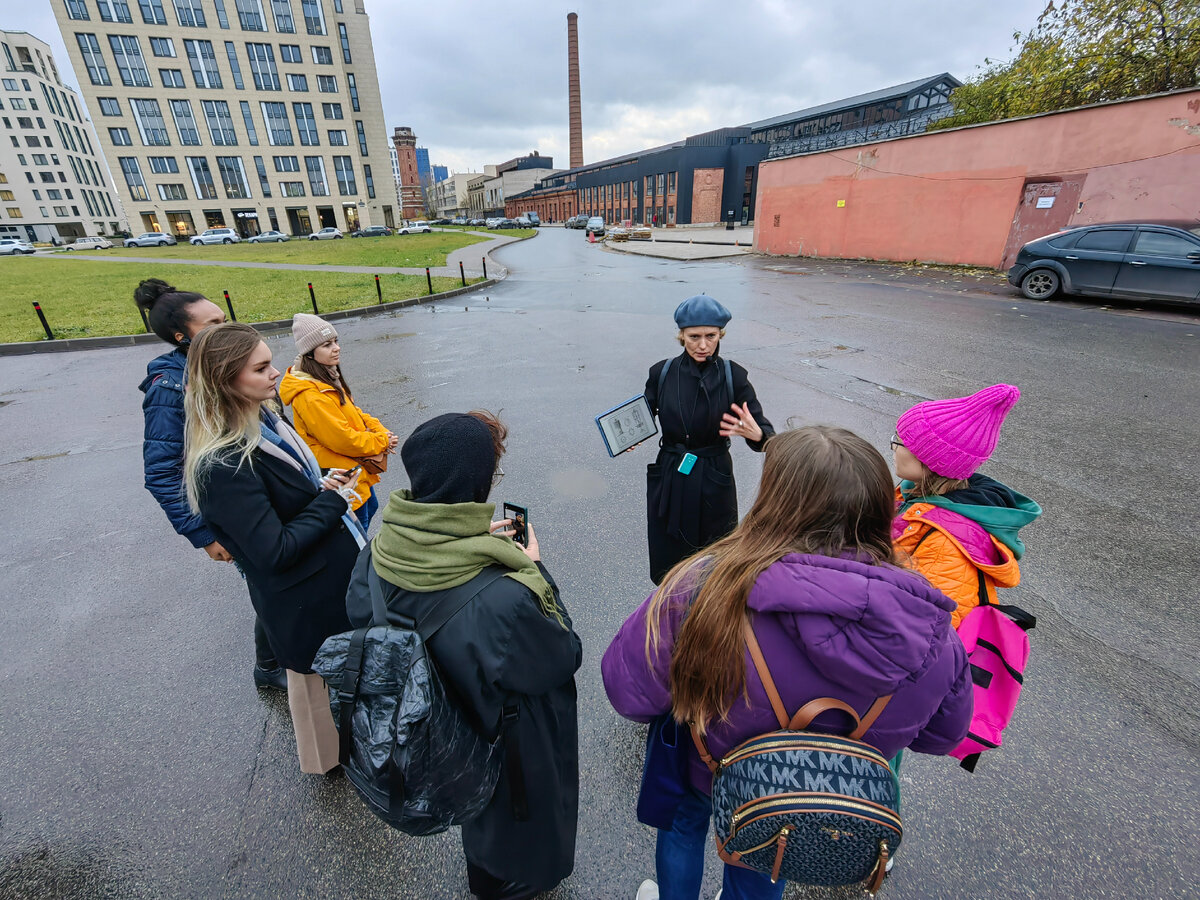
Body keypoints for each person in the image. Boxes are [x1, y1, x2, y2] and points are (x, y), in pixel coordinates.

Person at [602, 426, 973, 900]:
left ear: (773, 500)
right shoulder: (931, 626)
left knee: (682, 827)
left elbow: (627, 693)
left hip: (705, 767)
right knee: (771, 849)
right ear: (881, 508)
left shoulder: (702, 586)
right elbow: (943, 736)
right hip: (807, 800)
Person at [344, 411, 582, 900]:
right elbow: (561, 654)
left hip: (431, 723)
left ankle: (483, 875)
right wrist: (536, 571)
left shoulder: (381, 547)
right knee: (510, 809)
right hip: (503, 732)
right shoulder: (505, 595)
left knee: (472, 801)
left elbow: (357, 612)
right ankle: (512, 885)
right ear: (477, 480)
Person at [183, 323, 363, 774]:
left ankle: (358, 753)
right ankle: (333, 768)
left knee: (344, 679)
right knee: (317, 693)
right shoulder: (222, 463)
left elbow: (284, 499)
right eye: (261, 368)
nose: (275, 373)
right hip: (301, 601)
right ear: (225, 380)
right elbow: (274, 550)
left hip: (325, 584)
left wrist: (320, 486)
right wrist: (331, 501)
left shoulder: (264, 417)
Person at [134, 278, 287, 692]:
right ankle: (271, 666)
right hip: (233, 512)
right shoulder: (171, 388)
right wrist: (200, 533)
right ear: (182, 337)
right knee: (267, 585)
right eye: (212, 324)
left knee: (277, 581)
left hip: (265, 499)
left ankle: (278, 659)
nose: (224, 327)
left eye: (224, 318)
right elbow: (162, 471)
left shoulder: (228, 366)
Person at [643, 294, 774, 584]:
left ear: (720, 335)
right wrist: (632, 434)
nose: (703, 345)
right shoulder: (662, 373)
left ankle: (710, 613)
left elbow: (766, 433)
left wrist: (758, 436)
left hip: (714, 474)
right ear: (681, 336)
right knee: (670, 558)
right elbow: (641, 413)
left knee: (715, 559)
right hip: (672, 471)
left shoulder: (734, 376)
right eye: (694, 337)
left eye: (711, 336)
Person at [891, 384, 1042, 628]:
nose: (894, 448)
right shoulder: (912, 493)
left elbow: (925, 630)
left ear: (929, 457)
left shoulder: (946, 544)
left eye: (899, 440)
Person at [279, 313, 397, 532]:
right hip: (340, 475)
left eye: (335, 341)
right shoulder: (310, 396)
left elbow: (354, 412)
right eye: (326, 344)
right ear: (310, 353)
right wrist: (381, 440)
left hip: (352, 468)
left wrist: (382, 432)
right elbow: (342, 439)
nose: (336, 348)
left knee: (370, 506)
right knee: (356, 528)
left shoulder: (325, 377)